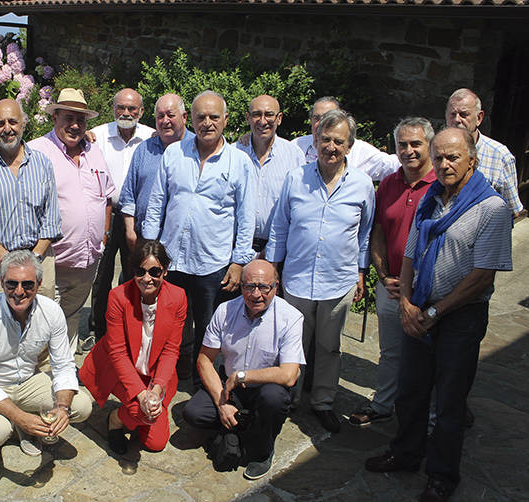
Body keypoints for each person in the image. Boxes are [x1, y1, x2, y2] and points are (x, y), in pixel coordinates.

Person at [365, 127, 512, 502]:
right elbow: (412, 254)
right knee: (411, 391)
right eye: (441, 157)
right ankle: (405, 453)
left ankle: (442, 476)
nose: (445, 164)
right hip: (421, 309)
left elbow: (481, 277)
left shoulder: (492, 209)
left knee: (448, 401)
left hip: (460, 318)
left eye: (454, 157)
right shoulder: (431, 198)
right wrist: (408, 303)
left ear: (472, 161)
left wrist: (433, 311)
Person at [265, 109, 374, 433]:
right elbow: (280, 226)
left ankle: (323, 402)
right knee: (293, 344)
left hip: (338, 280)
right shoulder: (296, 178)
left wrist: (360, 272)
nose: (331, 146)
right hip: (297, 278)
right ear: (315, 140)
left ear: (349, 145)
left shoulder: (362, 184)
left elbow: (365, 233)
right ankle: (291, 399)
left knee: (329, 346)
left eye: (338, 141)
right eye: (325, 139)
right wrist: (272, 267)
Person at [143, 90, 255, 385]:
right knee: (171, 324)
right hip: (172, 258)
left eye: (213, 117)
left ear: (226, 120)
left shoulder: (239, 162)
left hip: (213, 262)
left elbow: (246, 216)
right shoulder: (174, 153)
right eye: (200, 117)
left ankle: (202, 383)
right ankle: (169, 376)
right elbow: (157, 203)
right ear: (190, 119)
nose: (207, 123)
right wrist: (150, 250)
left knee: (209, 327)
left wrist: (239, 262)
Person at [0, 250, 93, 467]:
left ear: (39, 284)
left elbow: (64, 364)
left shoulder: (51, 311)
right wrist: (19, 417)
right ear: (2, 282)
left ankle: (28, 422)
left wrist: (62, 407)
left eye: (28, 285)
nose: (19, 292)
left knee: (81, 405)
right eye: (12, 284)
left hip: (28, 381)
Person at [348, 117, 436, 426]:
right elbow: (379, 233)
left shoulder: (442, 185)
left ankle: (431, 416)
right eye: (403, 144)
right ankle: (384, 405)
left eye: (416, 144)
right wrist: (383, 276)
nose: (409, 150)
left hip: (428, 289)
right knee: (390, 352)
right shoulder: (388, 184)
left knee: (429, 356)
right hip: (392, 284)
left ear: (430, 145)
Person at [183, 259, 304, 480]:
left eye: (264, 287)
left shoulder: (291, 318)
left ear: (276, 287)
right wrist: (222, 404)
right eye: (249, 286)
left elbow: (289, 375)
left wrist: (242, 376)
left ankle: (262, 450)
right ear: (241, 287)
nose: (256, 294)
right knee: (193, 413)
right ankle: (242, 425)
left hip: (265, 389)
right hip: (231, 389)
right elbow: (204, 360)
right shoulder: (225, 311)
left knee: (274, 399)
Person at [28, 88, 115, 352]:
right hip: (53, 260)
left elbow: (107, 196)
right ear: (54, 118)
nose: (75, 125)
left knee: (72, 316)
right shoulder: (36, 151)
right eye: (68, 118)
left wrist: (104, 233)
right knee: (42, 319)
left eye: (80, 119)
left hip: (87, 261)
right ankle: (40, 376)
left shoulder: (94, 151)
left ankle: (63, 373)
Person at [80, 240, 186, 453]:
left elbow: (171, 349)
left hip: (155, 371)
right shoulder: (118, 297)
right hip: (119, 369)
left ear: (165, 271)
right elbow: (117, 352)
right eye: (141, 271)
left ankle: (135, 415)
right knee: (140, 409)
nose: (147, 278)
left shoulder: (178, 297)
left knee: (155, 444)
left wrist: (156, 390)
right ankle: (116, 420)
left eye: (155, 271)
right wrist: (141, 394)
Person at [0, 98, 61, 300]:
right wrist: (6, 258)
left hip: (39, 258)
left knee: (41, 321)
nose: (7, 128)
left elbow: (51, 219)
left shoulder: (42, 164)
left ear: (23, 124)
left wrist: (33, 257)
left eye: (12, 122)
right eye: (0, 123)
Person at [88, 88, 156, 345]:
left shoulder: (152, 136)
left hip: (136, 219)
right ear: (113, 108)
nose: (126, 113)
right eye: (121, 108)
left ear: (140, 111)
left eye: (132, 109)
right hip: (104, 214)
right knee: (101, 274)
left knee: (134, 273)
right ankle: (99, 330)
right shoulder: (98, 136)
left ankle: (129, 326)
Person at [120, 93, 194, 251]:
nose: (165, 120)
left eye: (170, 115)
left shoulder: (197, 148)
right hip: (144, 238)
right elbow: (128, 194)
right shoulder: (144, 149)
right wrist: (130, 231)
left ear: (184, 116)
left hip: (183, 242)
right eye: (160, 116)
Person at [235, 94, 306, 252]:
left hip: (279, 249)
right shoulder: (234, 152)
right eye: (256, 115)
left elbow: (299, 207)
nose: (262, 121)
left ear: (279, 118)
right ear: (248, 118)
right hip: (235, 247)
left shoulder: (294, 156)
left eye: (268, 114)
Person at [444, 88, 523, 217]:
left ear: (479, 118)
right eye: (453, 114)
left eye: (463, 114)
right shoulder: (435, 150)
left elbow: (512, 211)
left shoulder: (500, 156)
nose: (457, 120)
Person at [293, 96, 398, 182]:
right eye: (316, 118)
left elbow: (391, 165)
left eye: (328, 118)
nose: (320, 123)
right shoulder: (297, 146)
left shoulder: (358, 149)